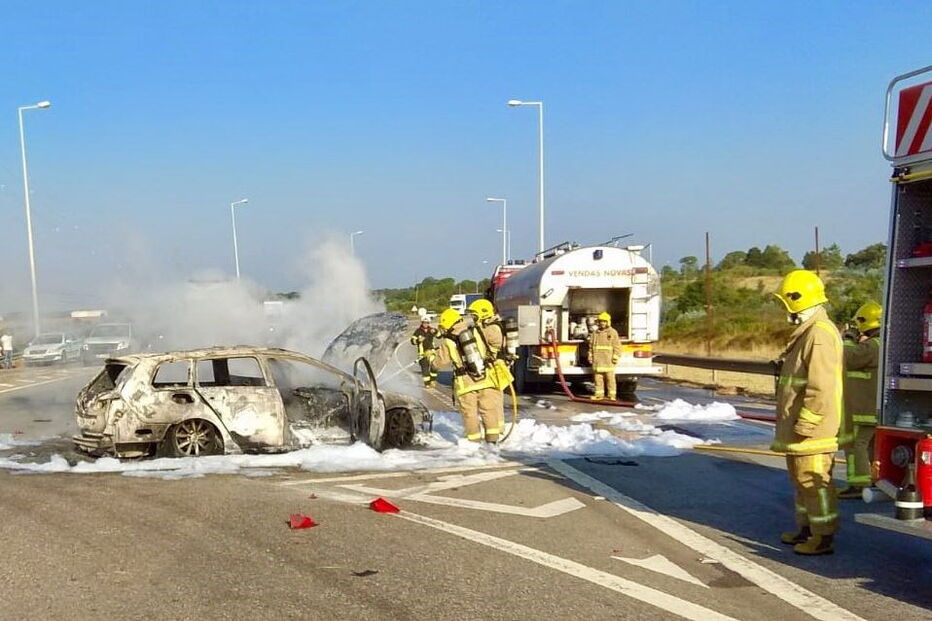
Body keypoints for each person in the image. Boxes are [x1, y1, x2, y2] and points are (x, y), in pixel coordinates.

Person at [772, 270, 843, 556]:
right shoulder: (808, 333)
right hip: (800, 429)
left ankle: (823, 535)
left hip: (812, 430)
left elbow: (821, 386)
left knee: (814, 483)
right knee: (801, 482)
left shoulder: (819, 335)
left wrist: (808, 422)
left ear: (797, 300)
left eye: (785, 303)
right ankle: (807, 528)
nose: (783, 310)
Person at [433, 308, 502, 443]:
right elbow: (495, 343)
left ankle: (474, 442)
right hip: (485, 378)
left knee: (470, 414)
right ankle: (493, 440)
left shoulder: (448, 341)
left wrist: (431, 359)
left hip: (466, 384)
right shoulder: (476, 331)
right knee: (489, 410)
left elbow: (438, 364)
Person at [837, 301, 882, 499]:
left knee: (856, 445)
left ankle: (858, 484)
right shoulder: (880, 344)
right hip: (871, 408)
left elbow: (845, 357)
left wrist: (847, 338)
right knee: (869, 446)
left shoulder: (871, 346)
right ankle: (871, 481)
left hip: (862, 409)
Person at [588, 312, 622, 400]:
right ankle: (599, 395)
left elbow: (617, 346)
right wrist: (590, 356)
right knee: (598, 379)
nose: (602, 323)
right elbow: (591, 346)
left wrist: (615, 357)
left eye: (604, 321)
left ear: (608, 322)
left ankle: (612, 395)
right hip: (597, 361)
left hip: (608, 361)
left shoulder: (613, 332)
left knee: (610, 379)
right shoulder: (595, 333)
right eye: (600, 321)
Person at [410, 318, 439, 387]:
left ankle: (432, 380)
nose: (426, 324)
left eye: (427, 323)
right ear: (422, 323)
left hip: (432, 352)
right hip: (422, 354)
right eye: (424, 322)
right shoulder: (418, 331)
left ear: (429, 323)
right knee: (425, 369)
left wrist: (435, 331)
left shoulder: (431, 330)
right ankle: (427, 384)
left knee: (434, 367)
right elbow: (412, 341)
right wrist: (418, 340)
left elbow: (439, 336)